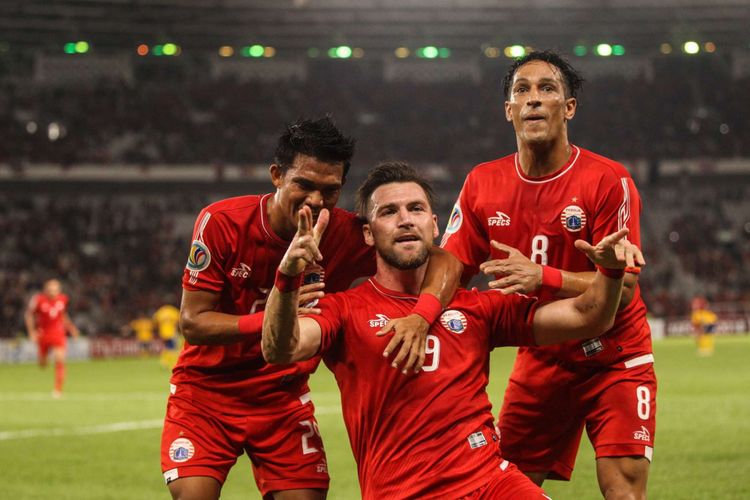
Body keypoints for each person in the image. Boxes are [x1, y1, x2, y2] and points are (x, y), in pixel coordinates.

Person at [261, 162, 644, 500]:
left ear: (434, 225)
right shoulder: (345, 310)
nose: (405, 219)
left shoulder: (475, 307)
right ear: (367, 234)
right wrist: (286, 277)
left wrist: (609, 272)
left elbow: (588, 317)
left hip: (493, 483)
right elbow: (281, 348)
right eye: (389, 212)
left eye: (416, 209)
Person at [161, 117, 460, 500]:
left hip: (282, 398)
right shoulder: (222, 223)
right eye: (304, 185)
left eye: (329, 190)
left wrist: (422, 314)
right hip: (207, 393)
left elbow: (445, 261)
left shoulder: (346, 234)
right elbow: (193, 322)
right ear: (276, 175)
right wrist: (271, 314)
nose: (316, 201)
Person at [440, 50, 656, 498]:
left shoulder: (608, 180)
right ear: (509, 110)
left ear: (569, 107)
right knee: (506, 487)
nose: (533, 99)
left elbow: (627, 287)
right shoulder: (482, 182)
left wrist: (543, 277)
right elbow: (450, 268)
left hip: (614, 356)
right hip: (541, 355)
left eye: (547, 89)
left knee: (623, 490)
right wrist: (423, 314)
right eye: (522, 90)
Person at [24, 279, 80, 398]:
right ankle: (45, 355)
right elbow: (29, 315)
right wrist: (31, 332)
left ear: (59, 290)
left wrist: (72, 328)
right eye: (50, 290)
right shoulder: (38, 300)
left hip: (58, 333)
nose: (53, 292)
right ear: (46, 290)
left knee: (60, 359)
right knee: (42, 364)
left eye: (55, 290)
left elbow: (63, 316)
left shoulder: (63, 299)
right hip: (43, 333)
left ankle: (58, 390)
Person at [153, 303, 181, 368]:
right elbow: (179, 320)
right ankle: (172, 363)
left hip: (163, 333)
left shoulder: (160, 311)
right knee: (174, 348)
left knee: (167, 347)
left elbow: (155, 321)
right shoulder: (173, 311)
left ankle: (165, 361)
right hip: (172, 333)